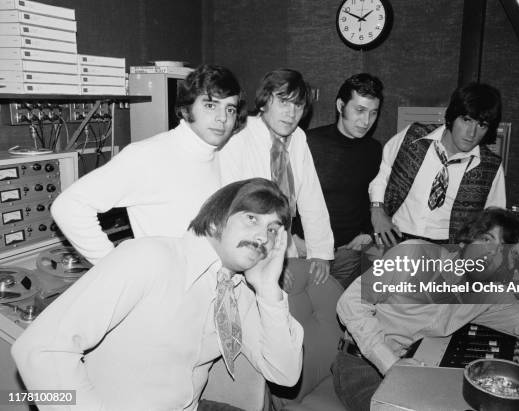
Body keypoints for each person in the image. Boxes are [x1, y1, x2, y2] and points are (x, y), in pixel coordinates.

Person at [12, 178, 304, 411]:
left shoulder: (238, 288)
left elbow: (285, 374)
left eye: (273, 229)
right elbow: (40, 348)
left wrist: (268, 290)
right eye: (252, 219)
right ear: (216, 220)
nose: (263, 237)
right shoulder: (150, 258)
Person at [332, 207, 519, 411]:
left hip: (414, 366)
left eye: (502, 249)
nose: (491, 252)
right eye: (486, 239)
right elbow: (349, 303)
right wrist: (390, 363)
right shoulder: (412, 256)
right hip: (360, 363)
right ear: (464, 242)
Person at [51, 64, 246, 264]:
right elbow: (68, 206)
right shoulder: (148, 155)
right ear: (187, 109)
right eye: (210, 105)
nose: (222, 118)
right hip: (169, 290)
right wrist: (115, 269)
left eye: (230, 109)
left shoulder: (221, 155)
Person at [219, 68, 334, 286]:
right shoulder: (239, 136)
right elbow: (232, 211)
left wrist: (320, 251)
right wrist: (267, 263)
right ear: (263, 102)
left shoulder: (298, 138)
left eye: (298, 105)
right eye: (283, 102)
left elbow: (311, 196)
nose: (291, 113)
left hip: (283, 239)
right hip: (243, 247)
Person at [369, 82, 506, 247]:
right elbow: (383, 172)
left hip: (448, 252)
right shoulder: (413, 136)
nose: (472, 133)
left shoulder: (490, 166)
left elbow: (494, 221)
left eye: (482, 125)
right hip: (395, 238)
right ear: (453, 116)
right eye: (466, 120)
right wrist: (377, 210)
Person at [298, 73, 383, 288]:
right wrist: (290, 238)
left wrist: (367, 234)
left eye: (373, 113)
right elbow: (285, 194)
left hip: (348, 253)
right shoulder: (308, 142)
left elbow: (370, 195)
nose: (366, 121)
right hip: (306, 251)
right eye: (360, 110)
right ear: (340, 106)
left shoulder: (374, 149)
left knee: (339, 315)